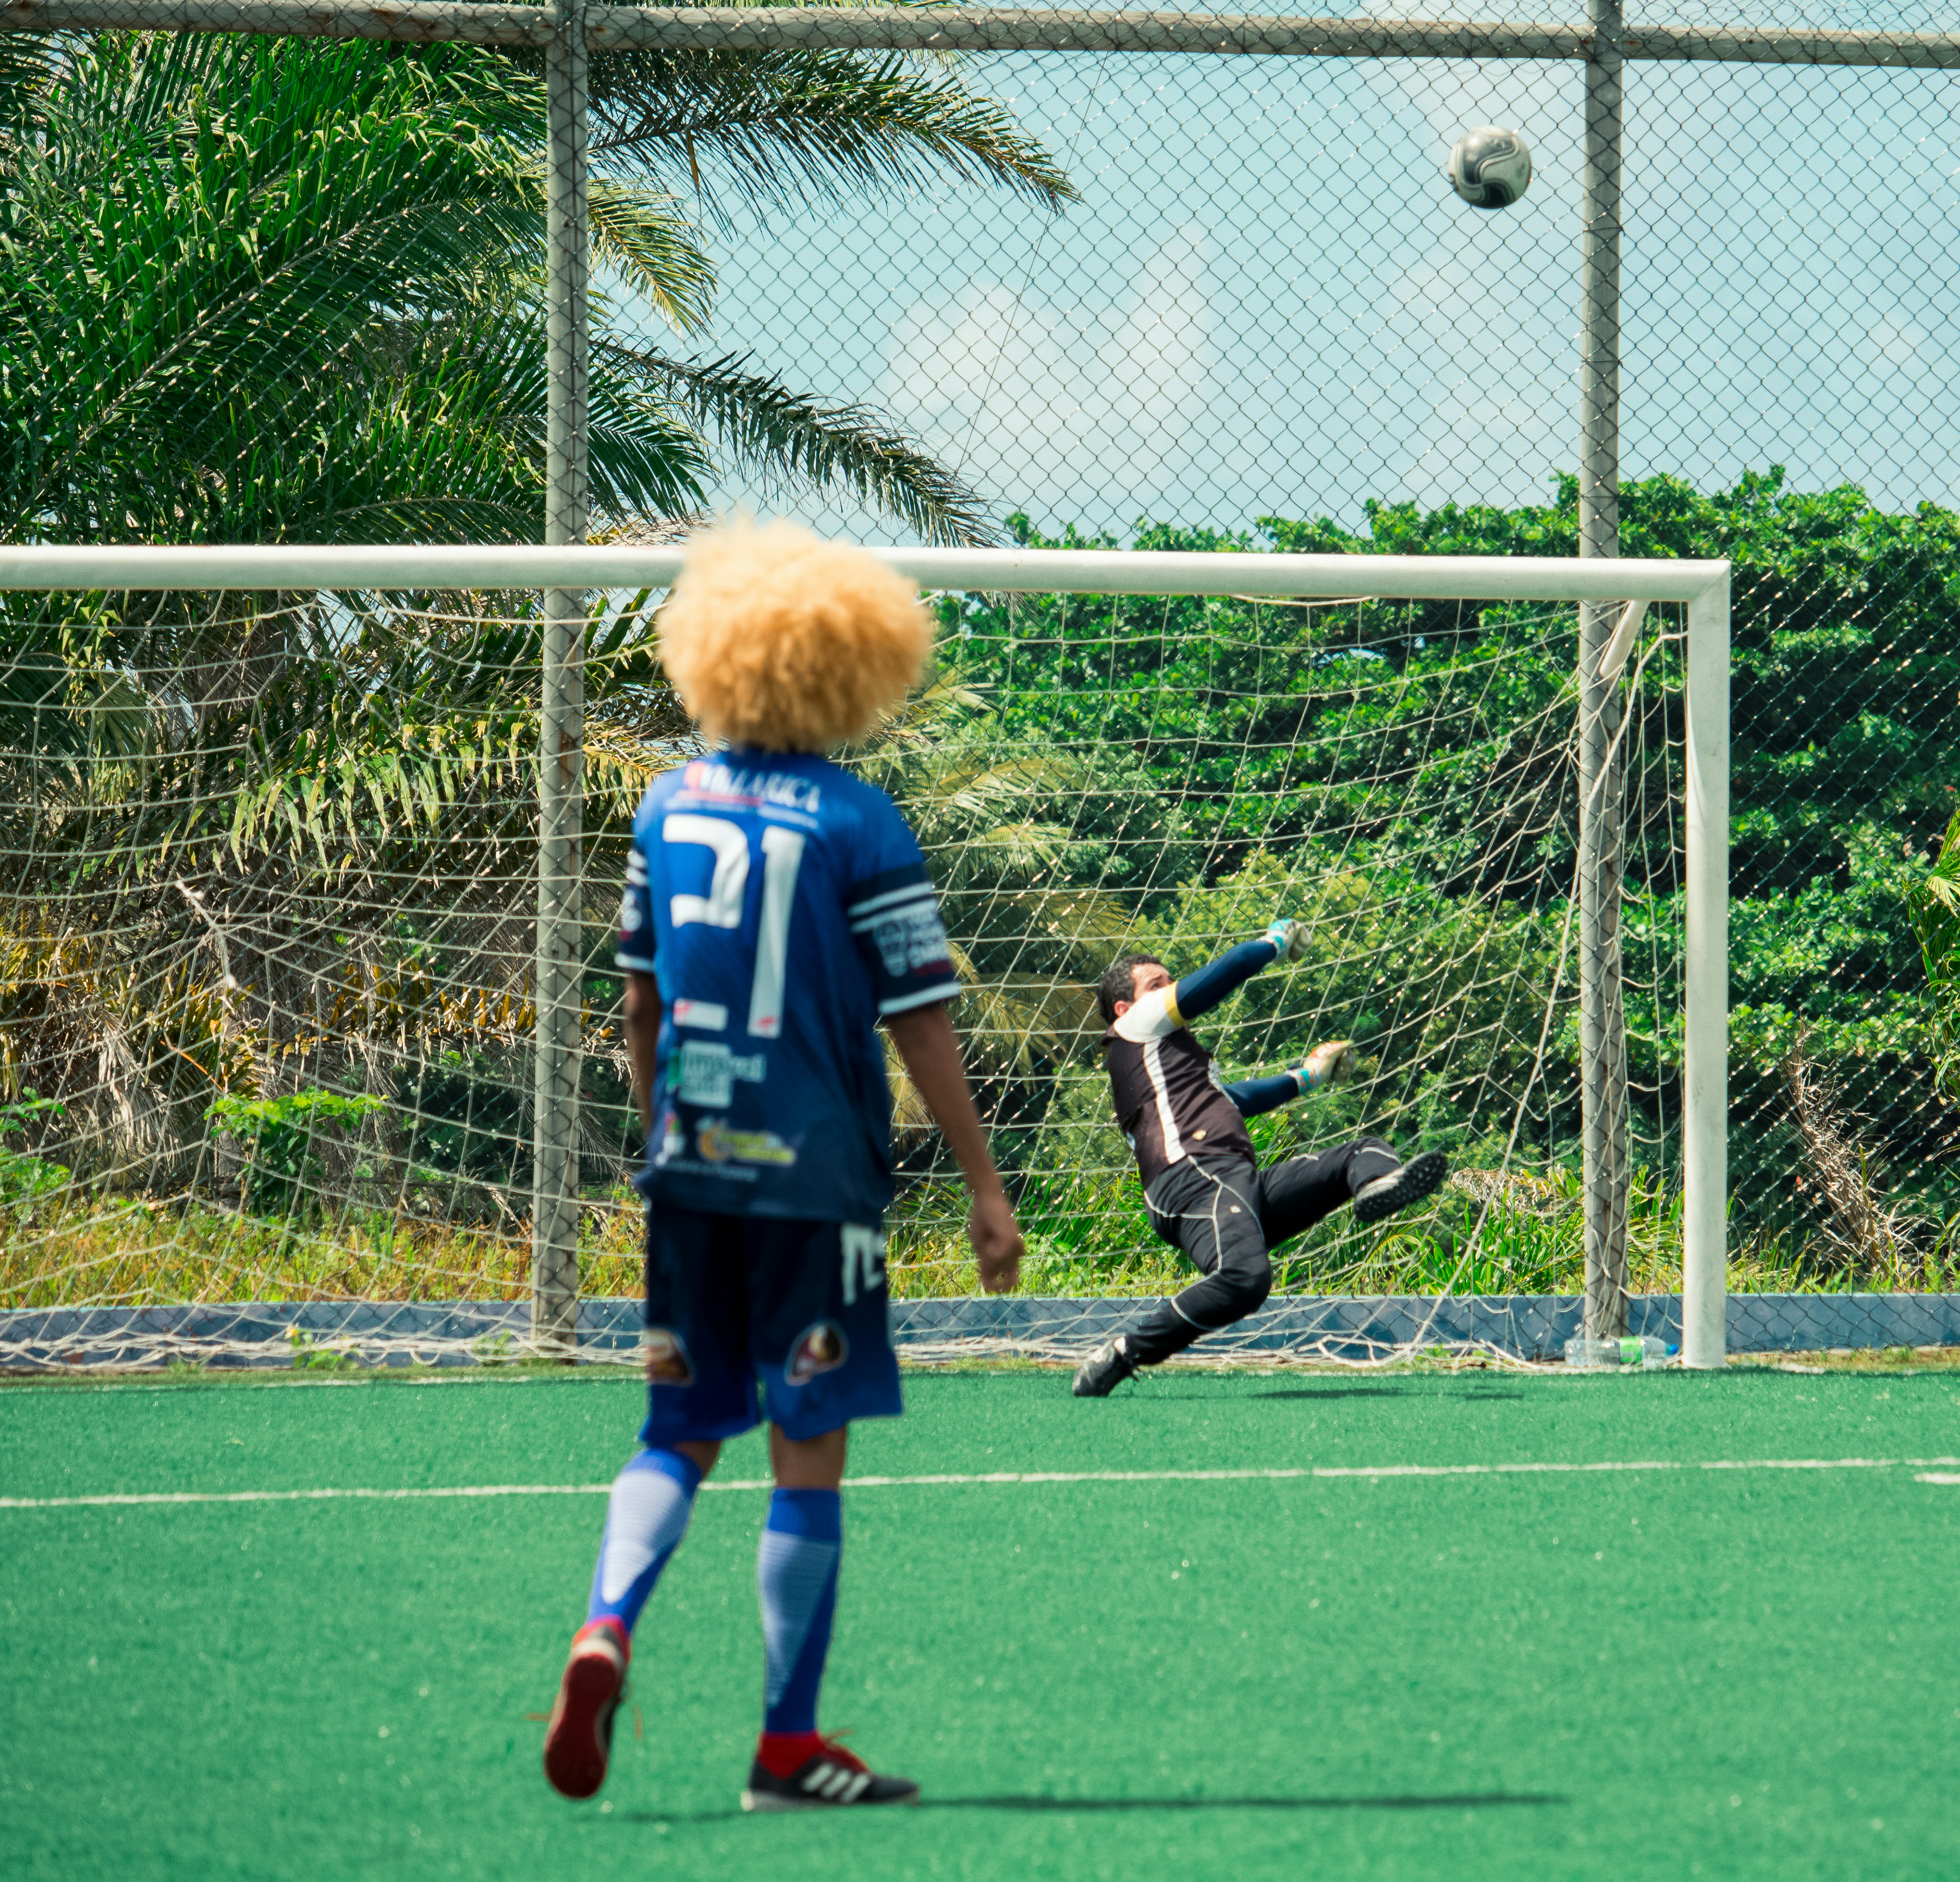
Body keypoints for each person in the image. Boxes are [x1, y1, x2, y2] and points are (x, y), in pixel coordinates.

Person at [542, 522, 1024, 1812]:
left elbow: (638, 1008)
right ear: (851, 666)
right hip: (816, 1185)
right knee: (806, 1449)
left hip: (692, 1175)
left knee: (679, 1430)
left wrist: (664, 1130)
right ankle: (783, 1748)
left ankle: (606, 1622)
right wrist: (983, 1183)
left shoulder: (665, 802)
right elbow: (920, 1013)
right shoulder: (862, 820)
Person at [1071, 928, 1449, 1397]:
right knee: (1245, 1281)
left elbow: (1236, 1098)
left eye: (1171, 980)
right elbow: (1225, 972)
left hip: (1232, 1181)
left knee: (1362, 1152)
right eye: (1156, 984)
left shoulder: (1168, 1069)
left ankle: (1375, 1186)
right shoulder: (1134, 1028)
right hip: (1194, 1178)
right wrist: (1274, 940)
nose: (1169, 988)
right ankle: (1123, 1353)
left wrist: (1307, 1076)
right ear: (1125, 1009)